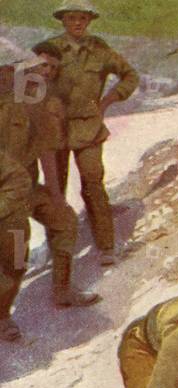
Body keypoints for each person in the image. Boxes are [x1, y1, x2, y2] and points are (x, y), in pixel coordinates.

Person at [42, 0, 139, 266]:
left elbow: (130, 75)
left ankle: (106, 246)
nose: (77, 23)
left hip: (88, 128)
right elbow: (28, 82)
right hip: (55, 129)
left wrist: (108, 101)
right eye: (72, 17)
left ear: (89, 21)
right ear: (63, 20)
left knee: (93, 184)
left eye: (82, 18)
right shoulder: (49, 49)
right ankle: (55, 250)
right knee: (55, 189)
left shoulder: (100, 50)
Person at [28, 42, 101, 307]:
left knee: (65, 220)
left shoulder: (45, 102)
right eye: (42, 64)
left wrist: (56, 196)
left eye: (52, 68)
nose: (47, 71)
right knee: (12, 248)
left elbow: (47, 151)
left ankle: (62, 290)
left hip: (22, 188)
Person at [0, 54, 33, 342]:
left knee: (18, 261)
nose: (4, 75)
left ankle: (3, 314)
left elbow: (47, 147)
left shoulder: (26, 107)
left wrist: (57, 194)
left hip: (17, 205)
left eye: (8, 70)